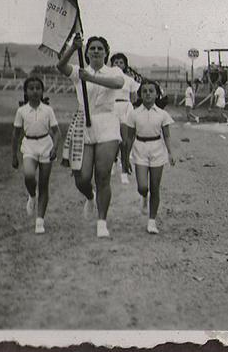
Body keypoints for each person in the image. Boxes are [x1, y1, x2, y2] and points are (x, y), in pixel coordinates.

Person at [56, 34, 124, 238]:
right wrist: (72, 48)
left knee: (102, 175)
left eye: (99, 48)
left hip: (107, 124)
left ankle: (102, 221)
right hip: (83, 125)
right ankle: (90, 196)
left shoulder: (113, 70)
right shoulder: (78, 72)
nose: (95, 51)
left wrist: (91, 78)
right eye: (91, 48)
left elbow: (118, 83)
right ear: (86, 52)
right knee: (82, 177)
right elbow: (61, 66)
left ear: (106, 52)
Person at [11, 77, 61, 234]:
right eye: (31, 88)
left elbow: (57, 132)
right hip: (29, 146)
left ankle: (40, 220)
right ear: (26, 91)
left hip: (46, 146)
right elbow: (16, 134)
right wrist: (14, 155)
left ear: (42, 91)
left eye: (38, 88)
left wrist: (55, 148)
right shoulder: (22, 111)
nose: (35, 91)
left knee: (44, 184)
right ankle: (32, 196)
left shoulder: (48, 110)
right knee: (29, 176)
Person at [125, 80, 176, 234]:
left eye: (151, 91)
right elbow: (129, 137)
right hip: (140, 148)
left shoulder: (162, 114)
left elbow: (166, 135)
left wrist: (170, 152)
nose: (148, 94)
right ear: (140, 94)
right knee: (143, 186)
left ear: (157, 94)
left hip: (157, 150)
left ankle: (152, 221)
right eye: (144, 91)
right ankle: (144, 196)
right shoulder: (133, 113)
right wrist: (125, 157)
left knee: (155, 187)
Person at [110, 53, 141, 185]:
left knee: (125, 141)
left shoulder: (129, 80)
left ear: (125, 65)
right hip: (112, 108)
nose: (118, 65)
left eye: (121, 62)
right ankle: (113, 162)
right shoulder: (108, 78)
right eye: (115, 62)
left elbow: (134, 98)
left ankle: (124, 170)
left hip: (126, 108)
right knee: (113, 139)